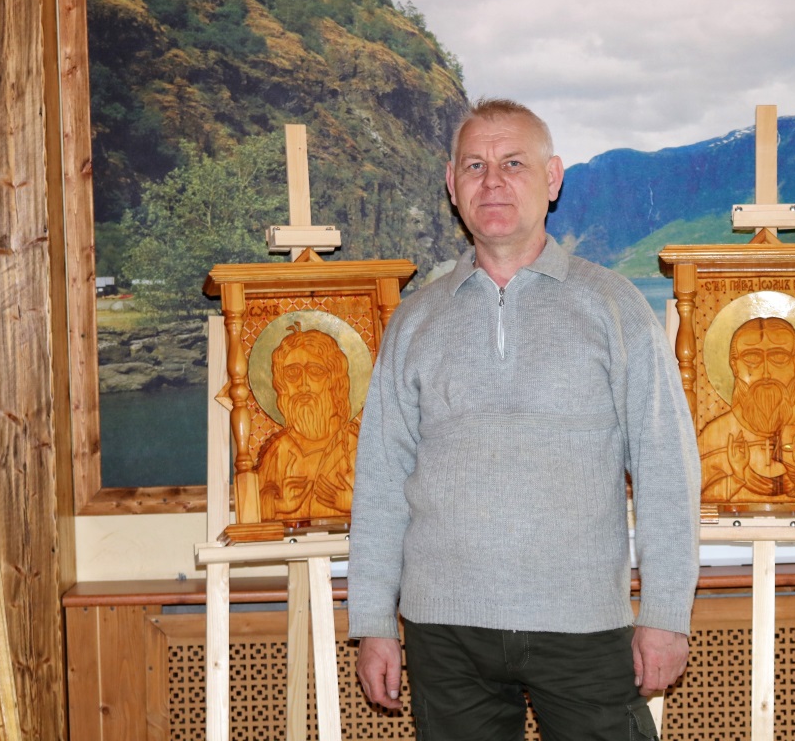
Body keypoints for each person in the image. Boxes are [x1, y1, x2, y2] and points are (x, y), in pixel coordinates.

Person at [347, 98, 701, 740]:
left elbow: (665, 469)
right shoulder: (415, 320)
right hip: (445, 630)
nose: (492, 181)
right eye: (474, 166)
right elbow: (380, 479)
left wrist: (666, 613)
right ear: (452, 184)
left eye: (513, 163)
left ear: (552, 178)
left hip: (583, 622)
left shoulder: (614, 307)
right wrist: (373, 620)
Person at [698, 317, 795, 504]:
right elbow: (699, 494)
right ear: (734, 366)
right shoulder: (713, 437)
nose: (766, 373)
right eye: (752, 358)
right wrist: (737, 477)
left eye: (778, 357)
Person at [254, 323, 358, 522]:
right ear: (282, 384)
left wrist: (353, 503)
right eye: (292, 373)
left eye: (315, 372)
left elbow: (387, 498)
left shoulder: (352, 446)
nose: (303, 385)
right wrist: (278, 505)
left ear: (333, 381)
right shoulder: (278, 451)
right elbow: (252, 506)